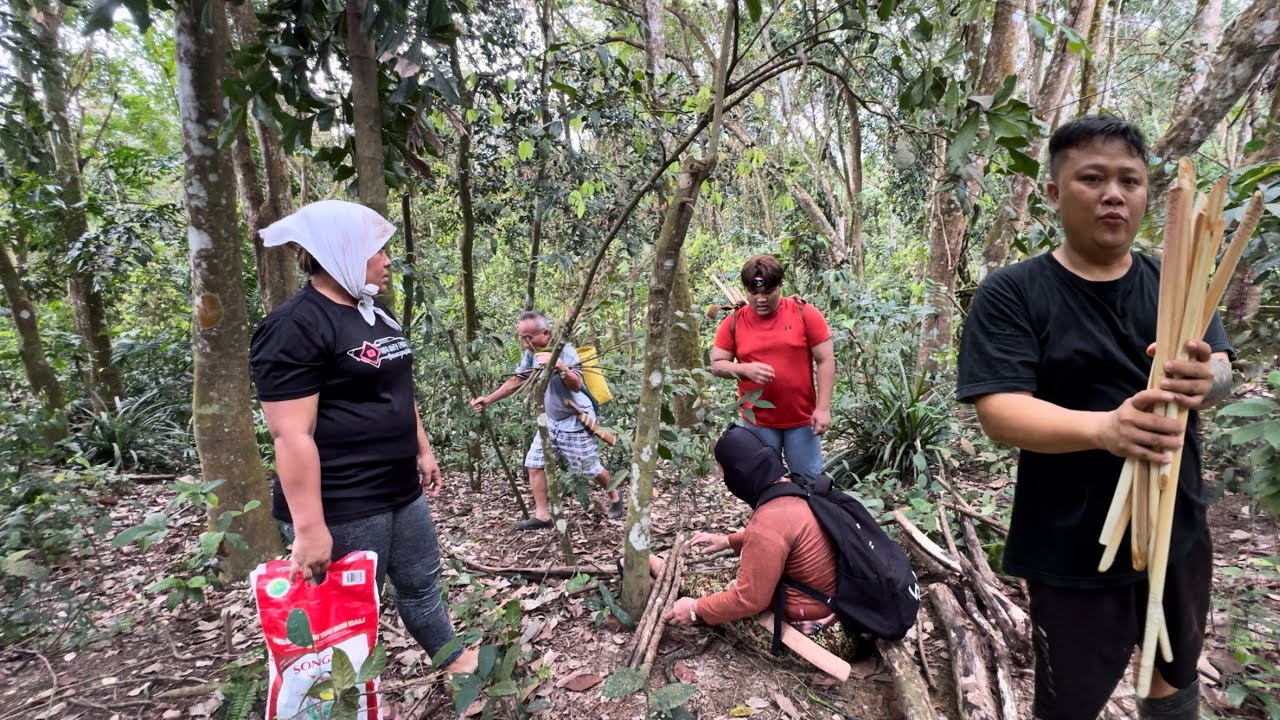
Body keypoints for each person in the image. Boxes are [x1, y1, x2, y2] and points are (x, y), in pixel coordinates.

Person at [957, 116, 1234, 720]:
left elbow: (1220, 372)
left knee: (1173, 673)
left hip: (1177, 522)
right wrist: (1105, 430)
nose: (1115, 193)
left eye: (1130, 181)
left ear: (1146, 194)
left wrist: (1204, 378)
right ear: (1054, 193)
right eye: (1093, 178)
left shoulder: (1177, 282)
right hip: (1069, 542)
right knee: (1070, 702)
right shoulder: (1013, 292)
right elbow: (1000, 413)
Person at [249, 200, 477, 680]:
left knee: (420, 585)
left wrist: (423, 448)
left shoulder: (376, 314)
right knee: (349, 611)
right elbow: (291, 434)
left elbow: (397, 388)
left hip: (398, 487)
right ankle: (351, 699)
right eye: (378, 251)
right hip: (345, 499)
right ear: (343, 253)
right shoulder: (295, 326)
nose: (388, 260)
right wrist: (310, 530)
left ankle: (454, 659)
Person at [660, 425, 838, 633]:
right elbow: (786, 538)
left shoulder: (767, 522)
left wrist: (695, 608)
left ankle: (661, 572)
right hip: (835, 607)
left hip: (813, 629)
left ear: (738, 474)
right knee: (725, 579)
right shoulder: (797, 489)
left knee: (703, 589)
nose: (721, 477)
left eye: (722, 471)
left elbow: (750, 600)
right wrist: (728, 541)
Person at [470, 310, 624, 530]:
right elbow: (518, 379)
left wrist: (561, 367)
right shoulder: (530, 353)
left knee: (590, 468)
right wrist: (489, 400)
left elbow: (576, 384)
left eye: (528, 337)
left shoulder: (566, 351)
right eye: (521, 337)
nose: (524, 343)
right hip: (550, 420)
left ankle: (616, 497)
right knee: (534, 464)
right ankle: (542, 515)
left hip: (574, 419)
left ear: (545, 334)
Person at [710, 255, 835, 478]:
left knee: (809, 485)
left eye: (768, 292)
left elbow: (825, 360)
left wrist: (823, 408)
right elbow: (717, 364)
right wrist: (744, 369)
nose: (760, 299)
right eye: (753, 293)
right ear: (746, 290)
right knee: (764, 484)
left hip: (802, 420)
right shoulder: (734, 322)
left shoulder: (804, 313)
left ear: (780, 286)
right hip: (757, 422)